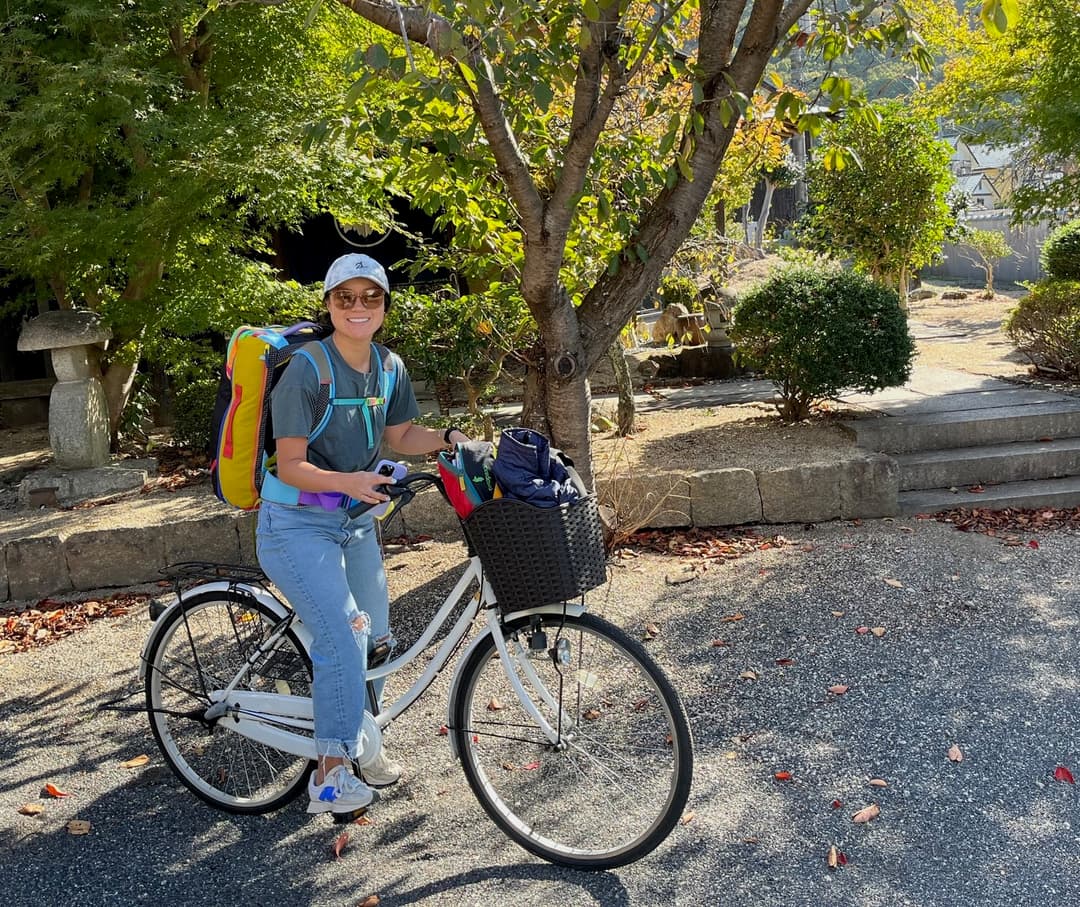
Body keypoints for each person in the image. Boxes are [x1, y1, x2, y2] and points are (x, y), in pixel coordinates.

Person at [255, 253, 469, 816]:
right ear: (328, 306)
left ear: (383, 307)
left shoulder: (388, 366)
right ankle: (328, 776)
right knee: (343, 637)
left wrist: (449, 437)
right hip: (296, 526)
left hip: (353, 526)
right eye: (344, 298)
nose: (357, 307)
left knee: (373, 638)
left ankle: (361, 738)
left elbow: (399, 434)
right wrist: (350, 479)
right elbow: (292, 464)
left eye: (369, 297)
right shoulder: (307, 369)